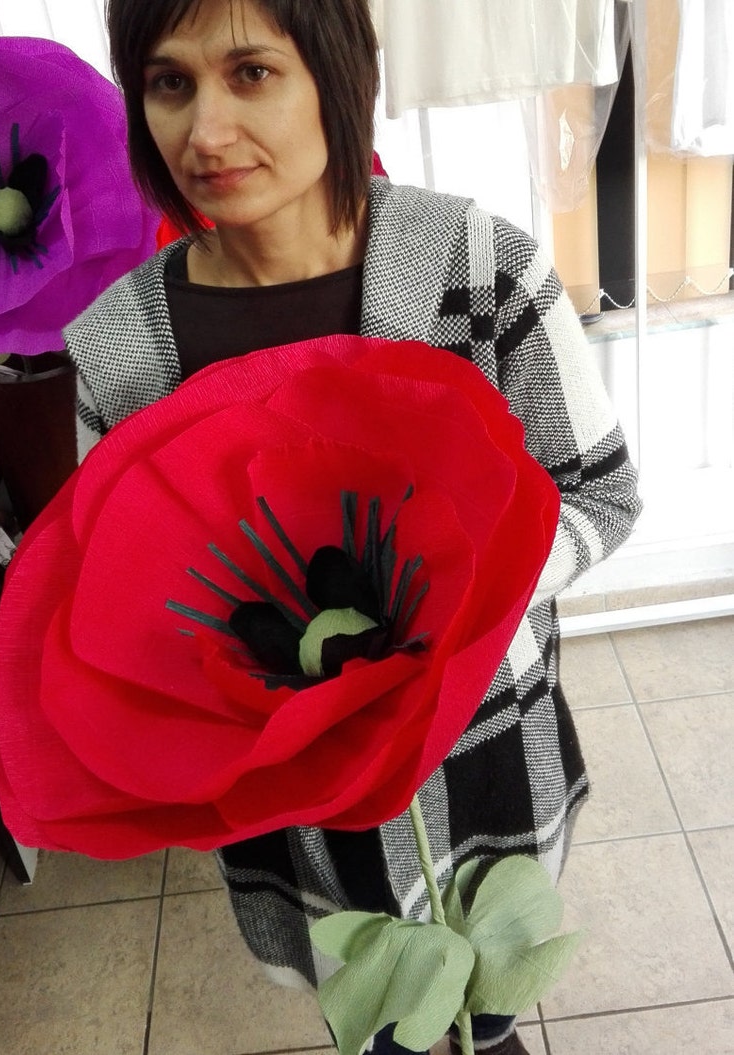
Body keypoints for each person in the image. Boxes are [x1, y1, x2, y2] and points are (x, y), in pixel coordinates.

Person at [64, 2, 642, 1052]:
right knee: (371, 1009)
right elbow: (125, 601)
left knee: (483, 1009)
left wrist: (452, 609)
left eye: (249, 73)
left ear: (337, 70)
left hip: (477, 747)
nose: (202, 130)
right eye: (168, 83)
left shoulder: (477, 270)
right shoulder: (120, 351)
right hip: (287, 788)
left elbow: (597, 494)